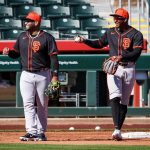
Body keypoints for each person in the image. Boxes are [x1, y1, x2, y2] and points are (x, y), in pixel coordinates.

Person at [74, 8, 143, 141]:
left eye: (118, 18)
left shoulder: (136, 34)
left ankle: (118, 129)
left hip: (128, 68)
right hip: (114, 69)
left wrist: (121, 56)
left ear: (125, 19)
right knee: (115, 96)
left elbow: (136, 53)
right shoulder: (110, 32)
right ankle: (116, 129)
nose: (115, 20)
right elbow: (98, 44)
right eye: (114, 17)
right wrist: (85, 40)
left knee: (124, 102)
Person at [3, 11, 59, 141]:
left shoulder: (47, 37)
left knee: (42, 105)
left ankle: (41, 132)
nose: (26, 22)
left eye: (28, 20)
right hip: (26, 74)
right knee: (27, 104)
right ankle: (31, 131)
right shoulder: (22, 36)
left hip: (43, 74)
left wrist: (55, 76)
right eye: (25, 20)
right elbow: (16, 54)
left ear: (36, 22)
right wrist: (9, 52)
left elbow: (54, 58)